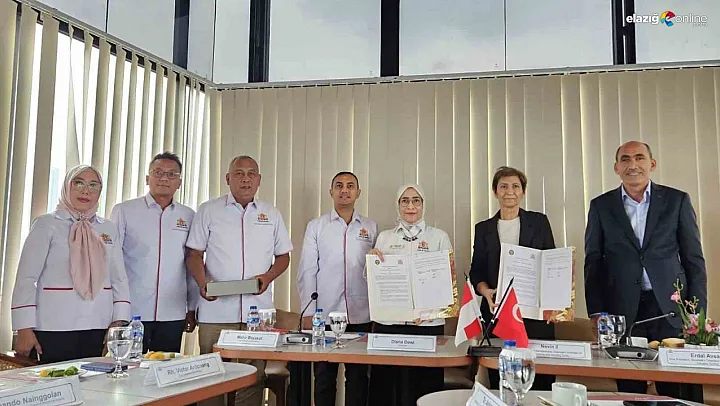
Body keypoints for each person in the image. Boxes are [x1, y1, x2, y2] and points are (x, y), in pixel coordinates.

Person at [585, 141, 707, 401]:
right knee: (631, 390)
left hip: (671, 310)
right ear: (616, 168)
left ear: (652, 164)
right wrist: (596, 311)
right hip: (622, 312)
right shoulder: (601, 206)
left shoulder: (676, 200)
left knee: (679, 390)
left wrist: (696, 312)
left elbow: (693, 259)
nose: (633, 165)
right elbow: (593, 262)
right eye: (625, 159)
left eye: (639, 158)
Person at [186, 155, 292, 406]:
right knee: (212, 378)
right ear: (228, 178)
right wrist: (202, 283)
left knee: (252, 378)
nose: (246, 179)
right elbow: (194, 254)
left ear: (259, 180)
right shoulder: (209, 210)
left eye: (251, 173)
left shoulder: (271, 213)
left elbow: (283, 256)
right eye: (239, 173)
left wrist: (268, 277)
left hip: (257, 314)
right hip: (215, 312)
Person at [11, 165, 131, 364]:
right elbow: (27, 278)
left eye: (93, 185)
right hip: (53, 324)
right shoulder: (46, 224)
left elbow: (119, 278)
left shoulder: (108, 228)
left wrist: (119, 321)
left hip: (98, 323)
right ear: (67, 186)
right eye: (79, 183)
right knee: (54, 379)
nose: (86, 191)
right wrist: (24, 327)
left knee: (93, 380)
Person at [469, 166, 556, 390]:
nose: (510, 191)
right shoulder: (483, 228)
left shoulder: (539, 222)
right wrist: (485, 291)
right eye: (503, 186)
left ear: (523, 191)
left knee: (539, 382)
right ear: (495, 192)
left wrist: (554, 304)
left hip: (535, 316)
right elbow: (476, 271)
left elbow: (552, 264)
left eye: (516, 186)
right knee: (501, 380)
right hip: (497, 313)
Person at [367, 184, 452, 406]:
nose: (410, 205)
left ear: (423, 204)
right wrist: (372, 262)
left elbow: (446, 282)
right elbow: (373, 281)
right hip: (389, 325)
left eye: (416, 200)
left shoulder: (439, 237)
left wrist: (429, 312)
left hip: (427, 325)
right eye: (405, 201)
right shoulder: (385, 237)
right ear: (398, 205)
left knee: (424, 388)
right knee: (387, 388)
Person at [297, 171, 377, 406]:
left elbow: (377, 272)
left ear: (358, 193)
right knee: (324, 377)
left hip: (361, 313)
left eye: (350, 186)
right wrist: (308, 312)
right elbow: (307, 270)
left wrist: (378, 313)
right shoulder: (317, 226)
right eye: (339, 186)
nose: (344, 190)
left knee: (359, 378)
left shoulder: (370, 227)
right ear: (331, 192)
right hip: (325, 314)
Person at [110, 152, 198, 353]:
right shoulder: (124, 211)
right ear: (147, 178)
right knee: (129, 366)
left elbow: (191, 265)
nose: (164, 178)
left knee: (165, 367)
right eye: (158, 172)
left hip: (172, 311)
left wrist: (192, 308)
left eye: (171, 174)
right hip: (132, 309)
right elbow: (112, 261)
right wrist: (115, 308)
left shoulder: (188, 216)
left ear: (179, 182)